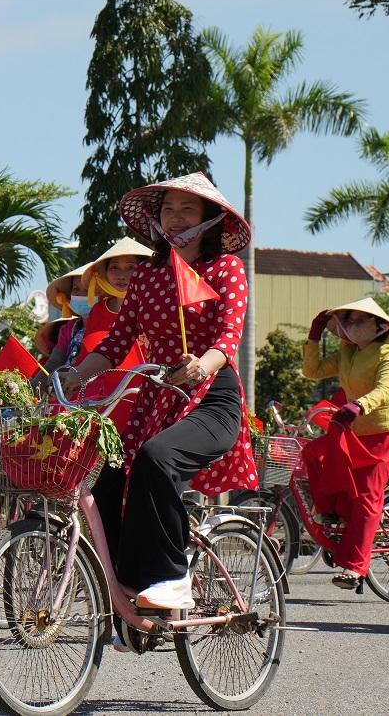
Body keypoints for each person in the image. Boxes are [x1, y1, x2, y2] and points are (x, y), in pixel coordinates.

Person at [63, 172, 257, 610]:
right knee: (110, 479)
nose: (175, 217)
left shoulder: (225, 269)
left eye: (187, 209)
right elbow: (115, 345)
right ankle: (128, 593)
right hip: (158, 398)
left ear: (210, 219)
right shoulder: (148, 276)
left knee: (155, 458)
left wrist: (199, 364)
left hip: (212, 397)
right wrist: (75, 375)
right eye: (168, 208)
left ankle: (172, 578)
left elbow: (228, 338)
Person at [301, 297, 389, 589]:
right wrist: (314, 335)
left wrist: (359, 404)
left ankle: (356, 567)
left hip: (387, 438)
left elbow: (386, 388)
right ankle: (331, 513)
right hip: (354, 435)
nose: (349, 326)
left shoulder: (387, 352)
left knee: (367, 494)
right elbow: (312, 371)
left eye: (357, 320)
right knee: (311, 453)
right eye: (346, 320)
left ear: (380, 327)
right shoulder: (347, 353)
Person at [75, 237, 153, 430]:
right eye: (114, 268)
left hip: (147, 397)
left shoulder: (154, 308)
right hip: (106, 402)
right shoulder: (98, 311)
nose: (121, 275)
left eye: (131, 267)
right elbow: (86, 357)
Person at [32, 263, 90, 382]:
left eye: (87, 289)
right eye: (76, 289)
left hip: (96, 395)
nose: (80, 294)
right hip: (65, 395)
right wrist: (30, 392)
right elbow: (54, 363)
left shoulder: (109, 326)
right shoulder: (68, 329)